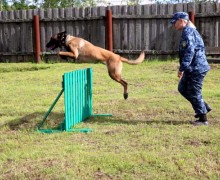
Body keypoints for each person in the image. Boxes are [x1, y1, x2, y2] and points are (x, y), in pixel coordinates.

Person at [170, 12, 211, 126]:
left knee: (194, 92)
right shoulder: (188, 30)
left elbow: (189, 51)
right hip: (192, 67)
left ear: (182, 20)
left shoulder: (188, 31)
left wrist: (181, 68)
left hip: (197, 67)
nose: (174, 25)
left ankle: (203, 119)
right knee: (182, 88)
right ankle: (203, 106)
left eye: (175, 22)